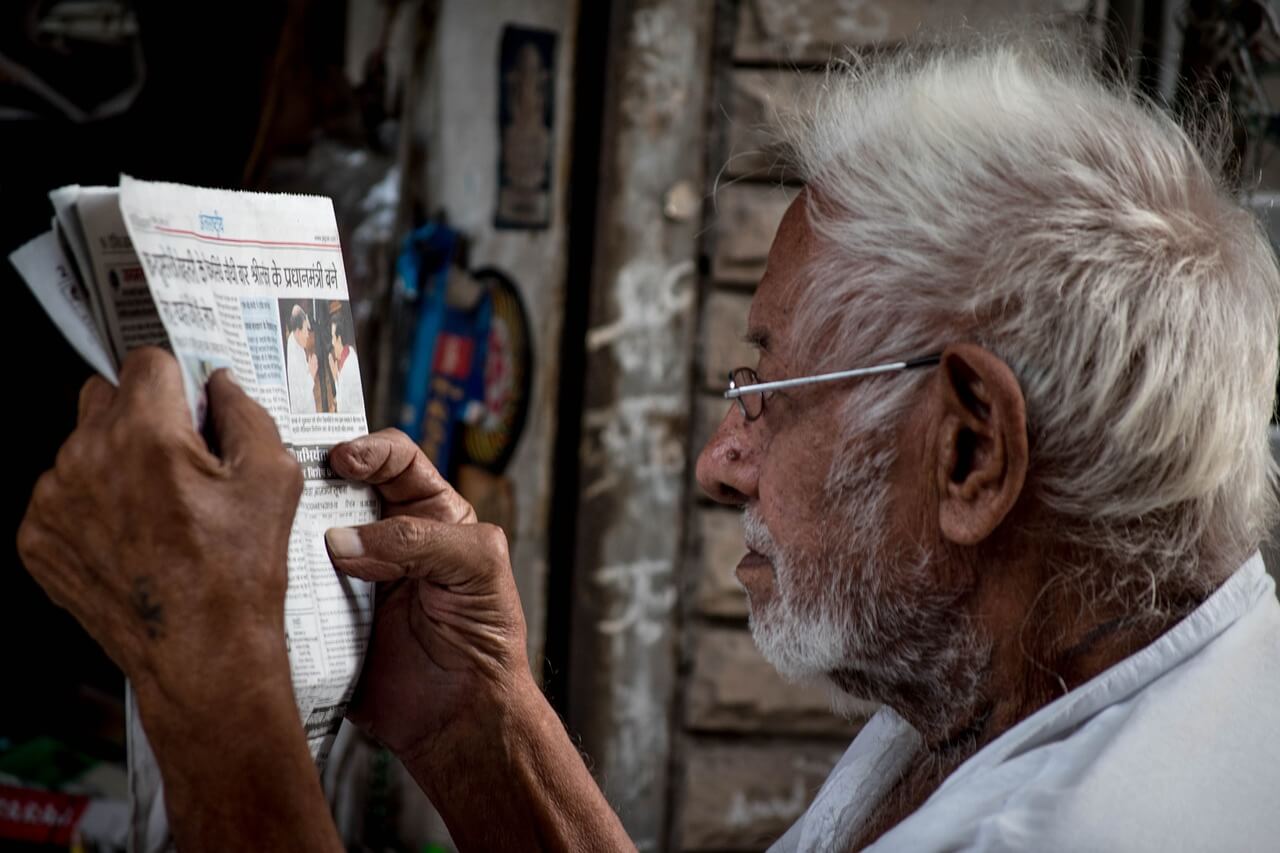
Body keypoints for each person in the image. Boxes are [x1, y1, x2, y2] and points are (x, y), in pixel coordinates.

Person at [17, 35, 1280, 853]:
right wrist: (483, 725)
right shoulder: (1037, 672)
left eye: (766, 390)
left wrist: (214, 677)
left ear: (969, 455)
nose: (718, 461)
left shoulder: (1086, 829)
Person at [285, 303, 318, 414]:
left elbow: (296, 307)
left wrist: (307, 369)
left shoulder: (294, 339)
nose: (308, 335)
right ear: (298, 332)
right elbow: (301, 402)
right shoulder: (293, 359)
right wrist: (312, 374)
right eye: (305, 331)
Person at [329, 306, 362, 416]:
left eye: (332, 337)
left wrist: (335, 378)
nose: (332, 342)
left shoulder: (349, 368)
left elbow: (343, 409)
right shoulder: (349, 352)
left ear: (339, 338)